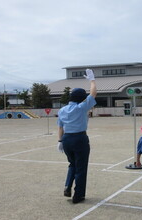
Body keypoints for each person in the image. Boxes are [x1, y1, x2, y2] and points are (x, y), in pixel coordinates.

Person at [57, 69, 97, 204]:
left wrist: (60, 140)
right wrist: (92, 80)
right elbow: (93, 94)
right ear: (81, 98)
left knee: (72, 164)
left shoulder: (62, 110)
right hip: (79, 138)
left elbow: (60, 127)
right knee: (81, 167)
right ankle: (78, 195)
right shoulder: (81, 108)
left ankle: (67, 185)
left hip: (66, 139)